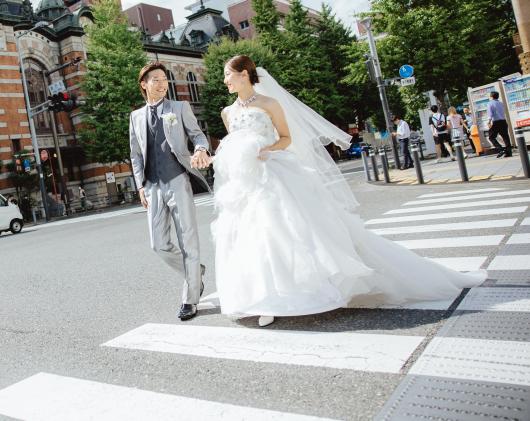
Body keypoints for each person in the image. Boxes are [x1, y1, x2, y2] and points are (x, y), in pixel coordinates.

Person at [204, 56, 484, 327]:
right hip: (245, 182)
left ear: (243, 74)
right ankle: (262, 296)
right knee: (250, 235)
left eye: (227, 74)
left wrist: (265, 150)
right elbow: (233, 145)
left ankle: (295, 293)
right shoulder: (227, 112)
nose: (224, 80)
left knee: (287, 230)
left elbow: (286, 138)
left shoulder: (269, 103)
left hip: (274, 173)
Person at [129, 62, 211, 321]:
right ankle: (195, 272)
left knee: (188, 240)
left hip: (177, 180)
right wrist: (140, 185)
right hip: (152, 185)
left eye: (164, 79)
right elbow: (135, 155)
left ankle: (190, 299)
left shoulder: (179, 107)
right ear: (144, 85)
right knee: (158, 244)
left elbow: (198, 135)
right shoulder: (136, 117)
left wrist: (201, 149)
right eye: (155, 79)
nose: (162, 83)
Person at [487, 91, 512, 158]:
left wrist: (488, 122)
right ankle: (509, 152)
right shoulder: (502, 104)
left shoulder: (490, 104)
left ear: (492, 97)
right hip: (503, 121)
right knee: (505, 137)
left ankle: (500, 149)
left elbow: (490, 114)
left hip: (496, 122)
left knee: (491, 137)